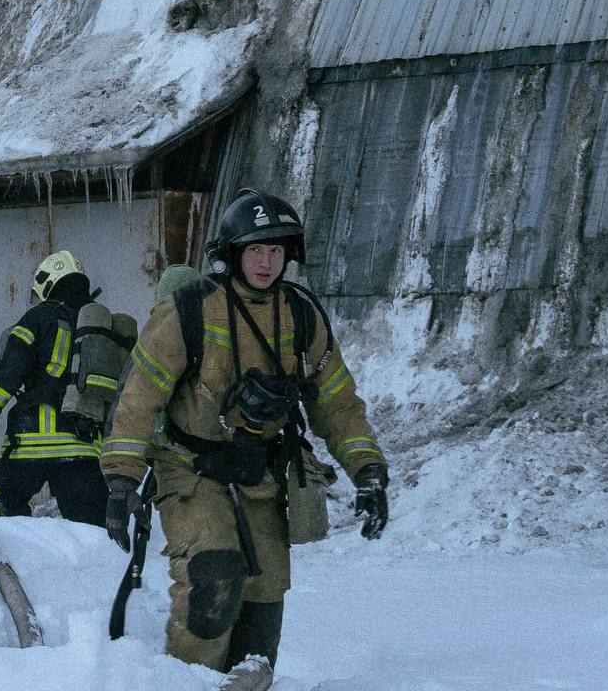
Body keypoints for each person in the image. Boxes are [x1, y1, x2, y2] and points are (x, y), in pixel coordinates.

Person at [100, 191, 392, 674]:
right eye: (255, 250)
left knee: (265, 592)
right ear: (232, 253)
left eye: (276, 250)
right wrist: (121, 478)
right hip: (192, 470)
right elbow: (138, 399)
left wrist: (369, 469)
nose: (265, 262)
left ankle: (247, 683)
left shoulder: (302, 315)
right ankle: (188, 683)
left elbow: (337, 404)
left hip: (262, 471)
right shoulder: (188, 310)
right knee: (214, 574)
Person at [0, 250, 110, 526]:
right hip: (84, 447)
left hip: (31, 444)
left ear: (47, 283)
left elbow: (8, 374)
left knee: (4, 502)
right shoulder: (99, 325)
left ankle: (21, 563)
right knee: (92, 530)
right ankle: (94, 570)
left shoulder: (37, 317)